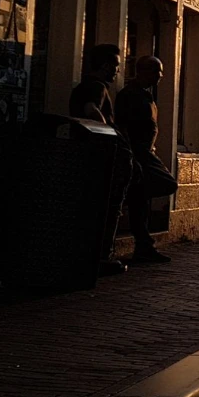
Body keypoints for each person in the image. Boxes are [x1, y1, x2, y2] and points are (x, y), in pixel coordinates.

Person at [69, 44, 130, 276]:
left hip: (90, 156)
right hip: (100, 158)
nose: (117, 71)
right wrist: (109, 134)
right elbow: (91, 109)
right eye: (115, 66)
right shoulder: (96, 87)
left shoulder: (84, 86)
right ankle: (102, 255)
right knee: (108, 206)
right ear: (105, 66)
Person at [114, 56, 179, 264]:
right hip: (139, 153)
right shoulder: (130, 95)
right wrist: (131, 154)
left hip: (146, 151)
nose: (160, 76)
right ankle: (142, 241)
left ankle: (143, 244)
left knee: (140, 199)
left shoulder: (145, 95)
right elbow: (123, 126)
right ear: (144, 72)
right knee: (166, 183)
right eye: (157, 72)